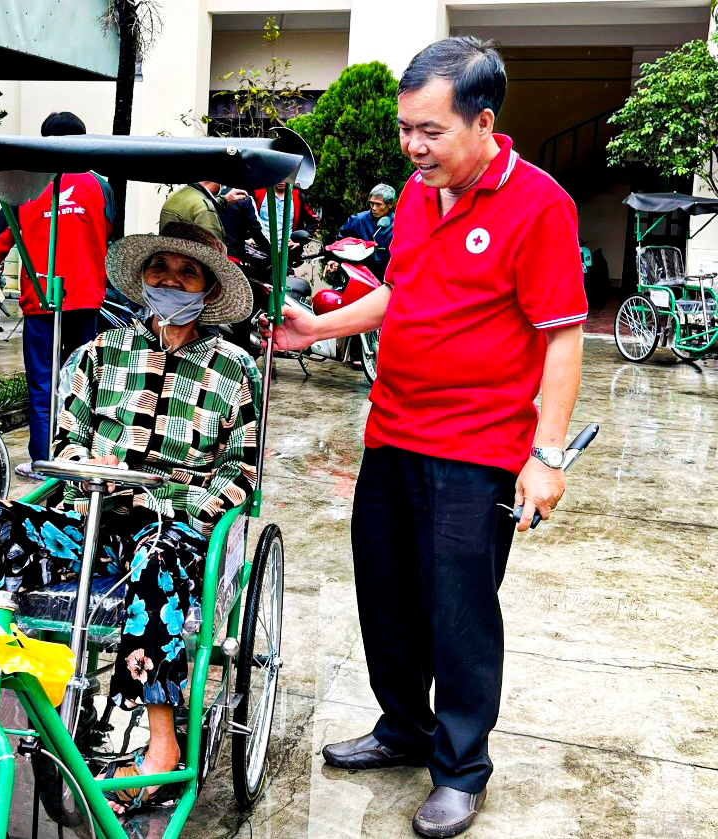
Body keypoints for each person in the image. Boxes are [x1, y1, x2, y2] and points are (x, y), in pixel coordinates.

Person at [262, 37, 586, 837]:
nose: (413, 147)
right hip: (394, 429)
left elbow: (564, 338)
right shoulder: (413, 194)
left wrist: (546, 457)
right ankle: (403, 726)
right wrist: (318, 327)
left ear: (483, 122)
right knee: (388, 595)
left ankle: (461, 765)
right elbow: (402, 295)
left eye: (430, 131)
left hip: (478, 448)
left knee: (460, 613)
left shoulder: (539, 204)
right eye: (407, 129)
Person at [0, 223, 259, 816]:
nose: (171, 280)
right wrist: (84, 465)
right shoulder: (95, 356)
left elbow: (240, 477)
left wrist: (165, 502)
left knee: (157, 558)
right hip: (90, 520)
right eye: (160, 269)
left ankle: (163, 739)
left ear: (207, 286)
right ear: (143, 278)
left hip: (174, 530)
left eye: (187, 271)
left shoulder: (233, 371)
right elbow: (65, 446)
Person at [0, 111, 115, 481]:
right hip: (87, 299)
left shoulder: (25, 188)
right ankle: (81, 459)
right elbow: (111, 238)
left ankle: (43, 461)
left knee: (43, 382)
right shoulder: (101, 186)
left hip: (42, 301)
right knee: (85, 381)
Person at [334, 184, 396, 279]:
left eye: (378, 204)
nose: (374, 208)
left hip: (387, 278)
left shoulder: (399, 224)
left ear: (390, 204)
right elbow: (340, 242)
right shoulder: (357, 220)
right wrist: (335, 260)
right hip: (360, 276)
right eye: (372, 203)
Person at [159, 181, 248, 243]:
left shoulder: (177, 195)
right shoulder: (204, 209)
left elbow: (194, 207)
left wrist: (224, 200)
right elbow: (213, 253)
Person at [251, 181, 318, 253]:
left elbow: (313, 220)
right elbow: (245, 217)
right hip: (260, 250)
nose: (281, 181)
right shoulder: (258, 194)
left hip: (288, 252)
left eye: (285, 177)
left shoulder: (297, 197)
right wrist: (250, 237)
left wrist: (299, 242)